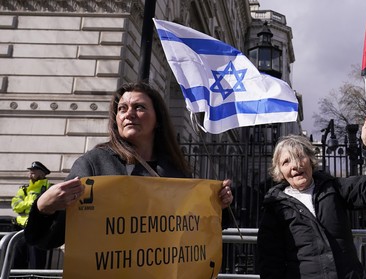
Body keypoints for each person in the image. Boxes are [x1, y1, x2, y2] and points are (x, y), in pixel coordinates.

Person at [24, 82, 234, 250]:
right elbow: (47, 239)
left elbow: (197, 231)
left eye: (139, 107)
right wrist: (44, 208)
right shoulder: (93, 164)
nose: (129, 114)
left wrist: (218, 205)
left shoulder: (177, 171)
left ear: (158, 119)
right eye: (122, 109)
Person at [257, 115, 366, 279]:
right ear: (279, 171)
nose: (295, 165)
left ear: (310, 160)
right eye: (286, 162)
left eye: (300, 156)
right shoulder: (275, 207)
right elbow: (270, 264)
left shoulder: (334, 187)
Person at [11, 161, 52, 269]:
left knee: (36, 262)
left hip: (38, 230)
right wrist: (31, 203)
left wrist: (27, 205)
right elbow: (15, 205)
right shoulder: (23, 189)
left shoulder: (49, 189)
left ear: (42, 174)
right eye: (30, 172)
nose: (30, 174)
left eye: (33, 172)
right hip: (21, 229)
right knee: (17, 261)